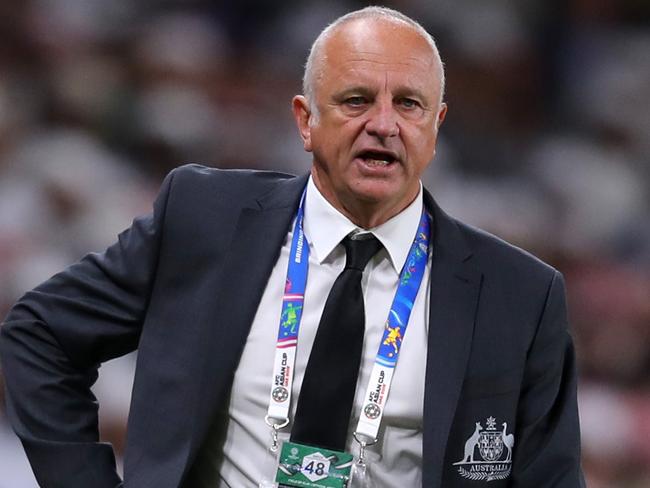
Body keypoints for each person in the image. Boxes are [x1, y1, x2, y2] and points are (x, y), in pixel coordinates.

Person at [0, 6, 585, 488]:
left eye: (408, 104)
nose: (384, 124)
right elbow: (40, 334)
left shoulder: (520, 296)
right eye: (356, 100)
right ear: (306, 122)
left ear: (435, 127)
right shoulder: (203, 221)